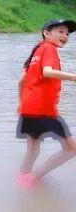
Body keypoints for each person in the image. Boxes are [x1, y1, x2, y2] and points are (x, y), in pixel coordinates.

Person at [16, 19, 76, 188]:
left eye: (67, 33)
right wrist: (73, 77)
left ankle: (21, 180)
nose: (65, 35)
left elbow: (21, 82)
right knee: (72, 148)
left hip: (29, 109)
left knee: (33, 151)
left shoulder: (37, 51)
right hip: (44, 110)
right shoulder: (49, 49)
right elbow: (48, 72)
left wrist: (21, 104)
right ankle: (34, 178)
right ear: (46, 33)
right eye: (60, 31)